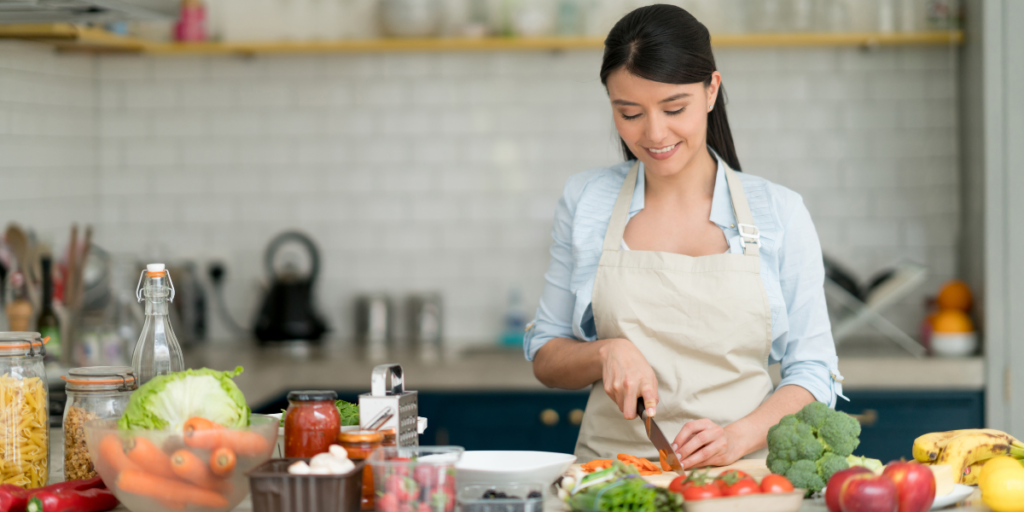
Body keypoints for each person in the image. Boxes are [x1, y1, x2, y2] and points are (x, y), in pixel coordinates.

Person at [524, 4, 844, 469]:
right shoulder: (586, 200)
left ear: (711, 90)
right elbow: (547, 355)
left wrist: (737, 438)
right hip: (614, 481)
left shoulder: (779, 212)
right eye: (629, 112)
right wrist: (605, 352)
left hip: (740, 480)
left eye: (675, 108)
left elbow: (814, 372)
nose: (655, 133)